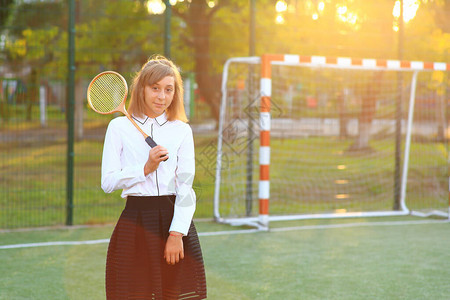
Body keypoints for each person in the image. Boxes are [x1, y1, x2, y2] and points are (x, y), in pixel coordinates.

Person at [101, 55, 207, 299]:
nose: (161, 96)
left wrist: (176, 233)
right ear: (142, 89)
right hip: (136, 221)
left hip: (174, 222)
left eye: (168, 89)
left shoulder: (181, 130)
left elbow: (185, 187)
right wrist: (145, 168)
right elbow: (107, 182)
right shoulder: (118, 127)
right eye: (155, 88)